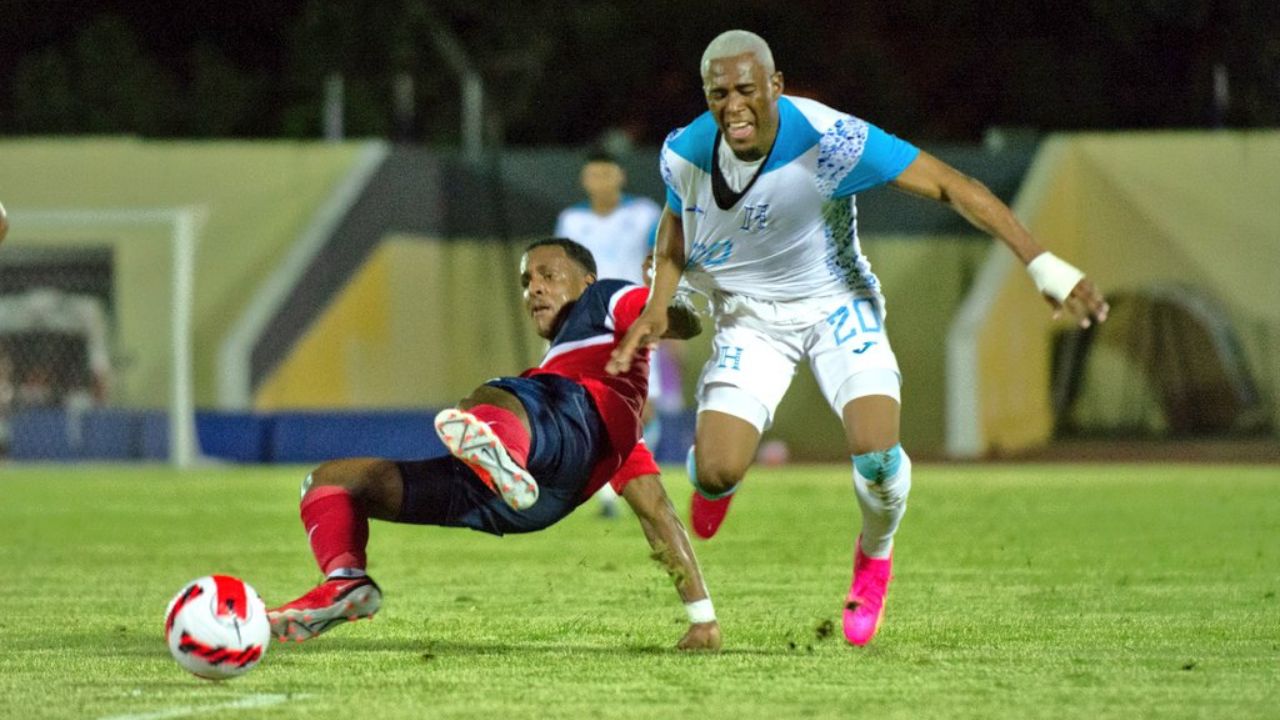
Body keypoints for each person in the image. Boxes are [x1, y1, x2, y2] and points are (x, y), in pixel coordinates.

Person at [608, 30, 1109, 647]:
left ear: (775, 86)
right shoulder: (685, 151)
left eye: (745, 90)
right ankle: (718, 485)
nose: (732, 105)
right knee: (712, 470)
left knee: (875, 456)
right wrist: (662, 302)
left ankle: (875, 556)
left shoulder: (830, 140)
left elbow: (952, 185)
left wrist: (1040, 263)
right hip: (749, 316)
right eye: (718, 93)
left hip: (835, 304)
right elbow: (674, 223)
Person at [269, 238, 720, 651]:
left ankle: (503, 457)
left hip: (550, 439)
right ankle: (346, 583)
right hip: (540, 492)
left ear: (586, 281)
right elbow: (656, 510)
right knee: (333, 482)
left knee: (496, 394)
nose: (535, 289)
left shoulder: (605, 300)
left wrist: (663, 307)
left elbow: (678, 322)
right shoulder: (608, 424)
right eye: (527, 281)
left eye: (548, 275)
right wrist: (703, 619)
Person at [555, 151, 667, 518]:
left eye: (607, 173)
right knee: (589, 408)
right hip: (585, 328)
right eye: (594, 174)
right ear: (584, 180)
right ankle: (609, 492)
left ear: (620, 175)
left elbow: (663, 259)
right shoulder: (571, 221)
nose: (601, 181)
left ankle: (628, 481)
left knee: (642, 411)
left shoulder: (645, 215)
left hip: (633, 322)